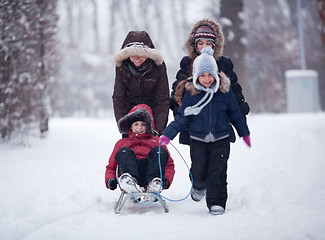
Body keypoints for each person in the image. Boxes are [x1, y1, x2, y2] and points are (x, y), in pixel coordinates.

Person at [160, 47, 251, 215]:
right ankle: (199, 185)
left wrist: (244, 132)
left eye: (210, 75)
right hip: (198, 140)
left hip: (221, 138)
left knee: (218, 171)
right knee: (198, 170)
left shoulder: (225, 92)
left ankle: (217, 202)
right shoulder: (192, 94)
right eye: (203, 75)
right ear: (196, 76)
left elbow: (236, 114)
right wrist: (168, 134)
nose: (207, 79)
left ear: (216, 74)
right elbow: (182, 117)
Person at [170, 18, 250, 144]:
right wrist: (180, 114)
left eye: (208, 43)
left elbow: (234, 90)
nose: (204, 47)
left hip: (220, 122)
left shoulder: (223, 64)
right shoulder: (188, 64)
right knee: (198, 161)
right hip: (194, 124)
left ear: (214, 44)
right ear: (194, 44)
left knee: (219, 160)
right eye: (200, 43)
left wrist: (240, 115)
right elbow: (176, 93)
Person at [105, 104, 175, 194]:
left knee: (160, 152)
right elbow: (111, 166)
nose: (139, 128)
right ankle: (130, 182)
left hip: (151, 172)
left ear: (149, 126)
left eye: (143, 124)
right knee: (124, 151)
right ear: (130, 126)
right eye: (136, 124)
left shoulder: (157, 141)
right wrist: (110, 179)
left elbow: (169, 165)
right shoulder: (122, 143)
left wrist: (166, 180)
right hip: (129, 171)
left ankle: (153, 185)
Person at [113, 30, 170, 135]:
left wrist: (158, 128)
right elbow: (119, 97)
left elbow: (163, 99)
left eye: (140, 54)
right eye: (132, 54)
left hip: (153, 114)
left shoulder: (158, 67)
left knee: (153, 150)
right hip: (130, 116)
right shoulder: (122, 67)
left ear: (148, 55)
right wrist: (124, 126)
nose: (136, 58)